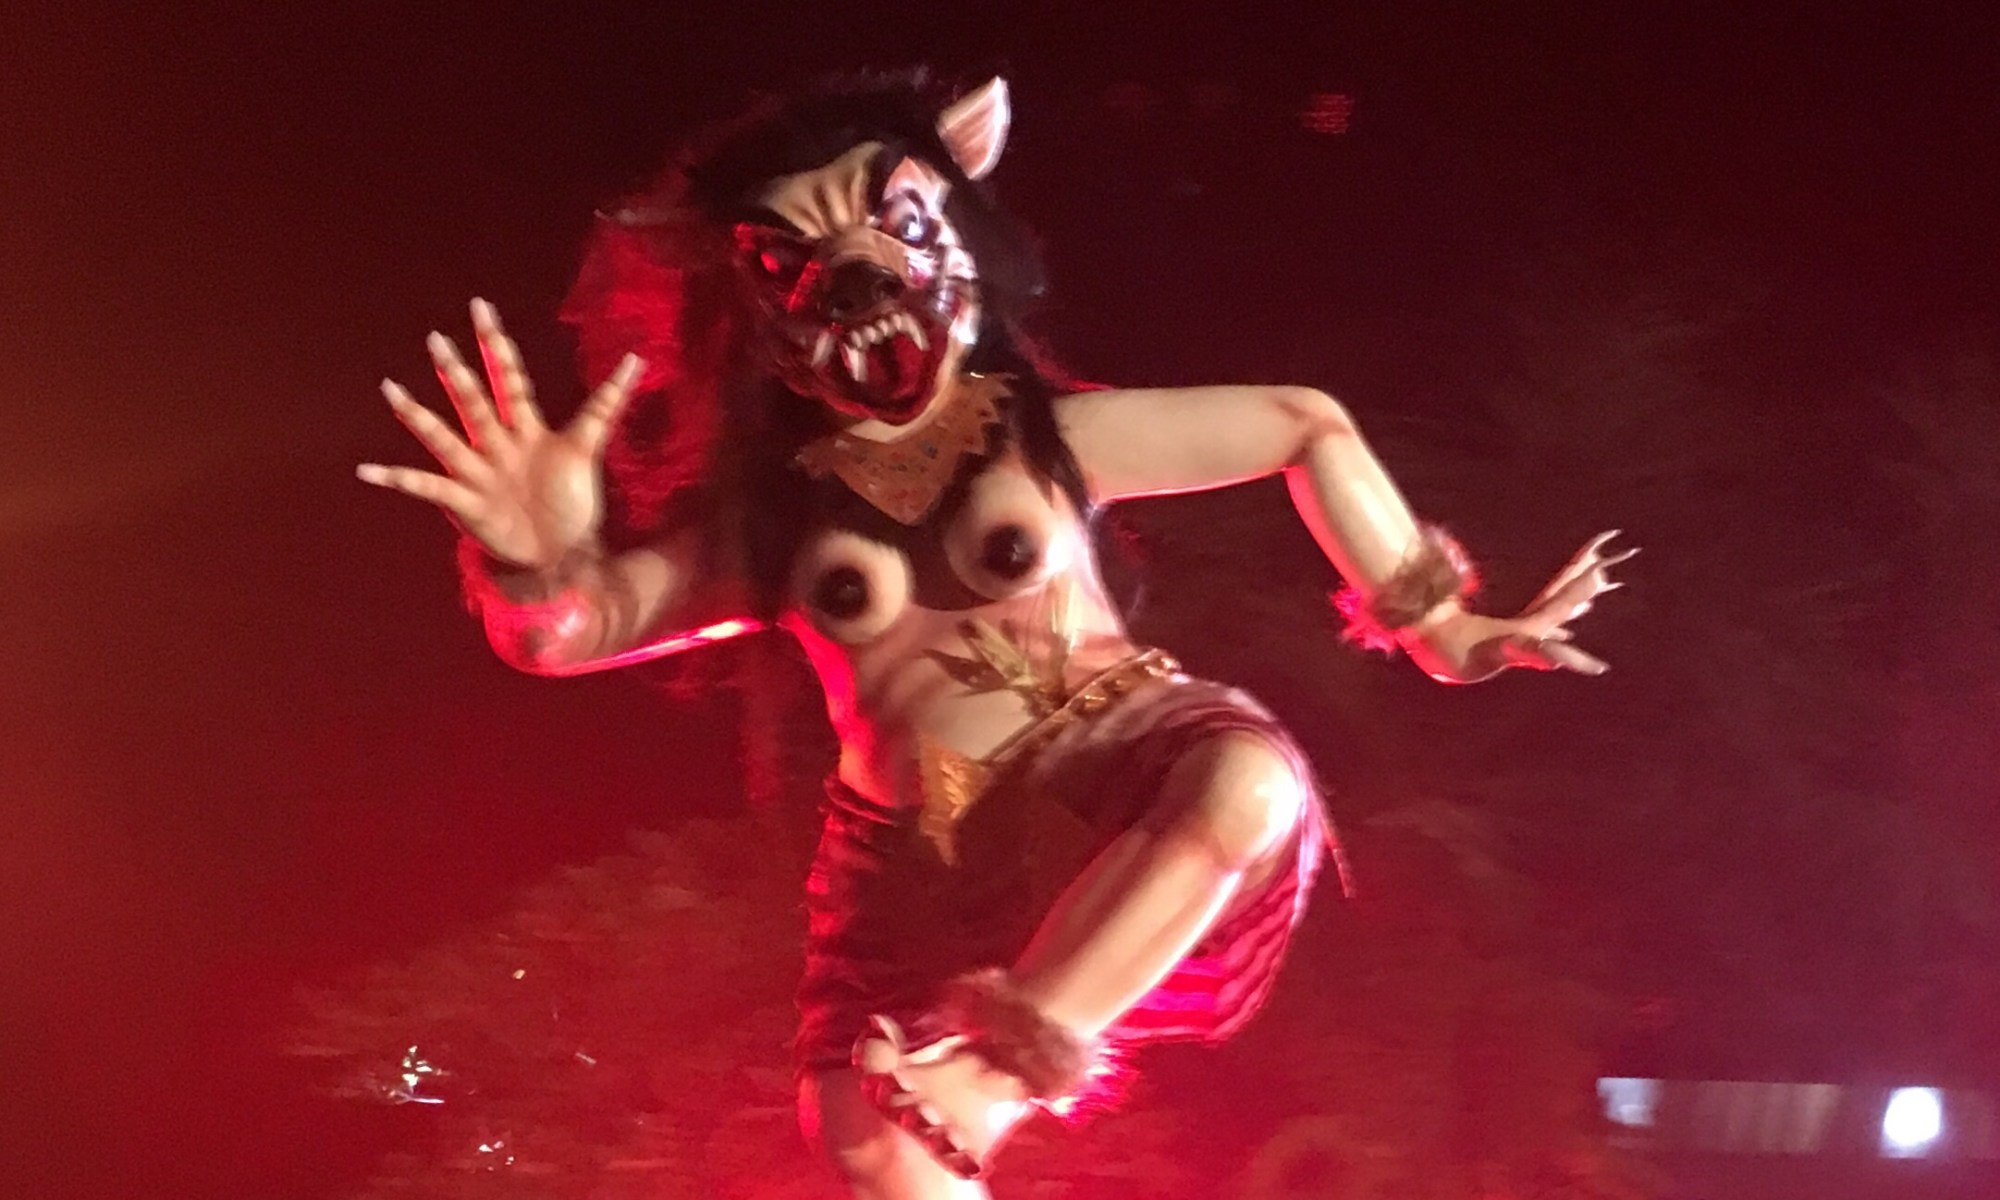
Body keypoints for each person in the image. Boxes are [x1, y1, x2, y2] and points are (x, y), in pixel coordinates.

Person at [357, 74, 1632, 1198]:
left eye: (898, 224)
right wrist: (528, 558)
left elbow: (1303, 422)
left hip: (1108, 757)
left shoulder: (1046, 442)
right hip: (915, 859)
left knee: (1246, 781)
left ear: (960, 237)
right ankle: (955, 1099)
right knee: (867, 1142)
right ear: (748, 311)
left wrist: (1436, 620)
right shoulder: (766, 522)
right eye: (791, 262)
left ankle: (992, 1074)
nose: (858, 277)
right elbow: (561, 636)